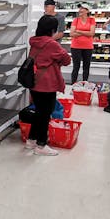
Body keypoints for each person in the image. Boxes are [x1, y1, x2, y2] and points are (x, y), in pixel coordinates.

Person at [25, 15, 71, 156]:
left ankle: (31, 140)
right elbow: (66, 60)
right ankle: (41, 145)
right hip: (48, 83)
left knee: (39, 111)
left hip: (34, 81)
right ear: (52, 29)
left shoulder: (34, 41)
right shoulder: (51, 44)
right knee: (45, 114)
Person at [69, 5, 96, 83]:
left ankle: (85, 84)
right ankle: (73, 84)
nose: (80, 10)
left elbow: (92, 33)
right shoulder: (75, 20)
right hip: (75, 47)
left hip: (88, 47)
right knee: (76, 67)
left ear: (87, 11)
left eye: (82, 9)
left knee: (86, 67)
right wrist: (86, 33)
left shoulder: (92, 20)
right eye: (80, 9)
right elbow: (71, 34)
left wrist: (79, 31)